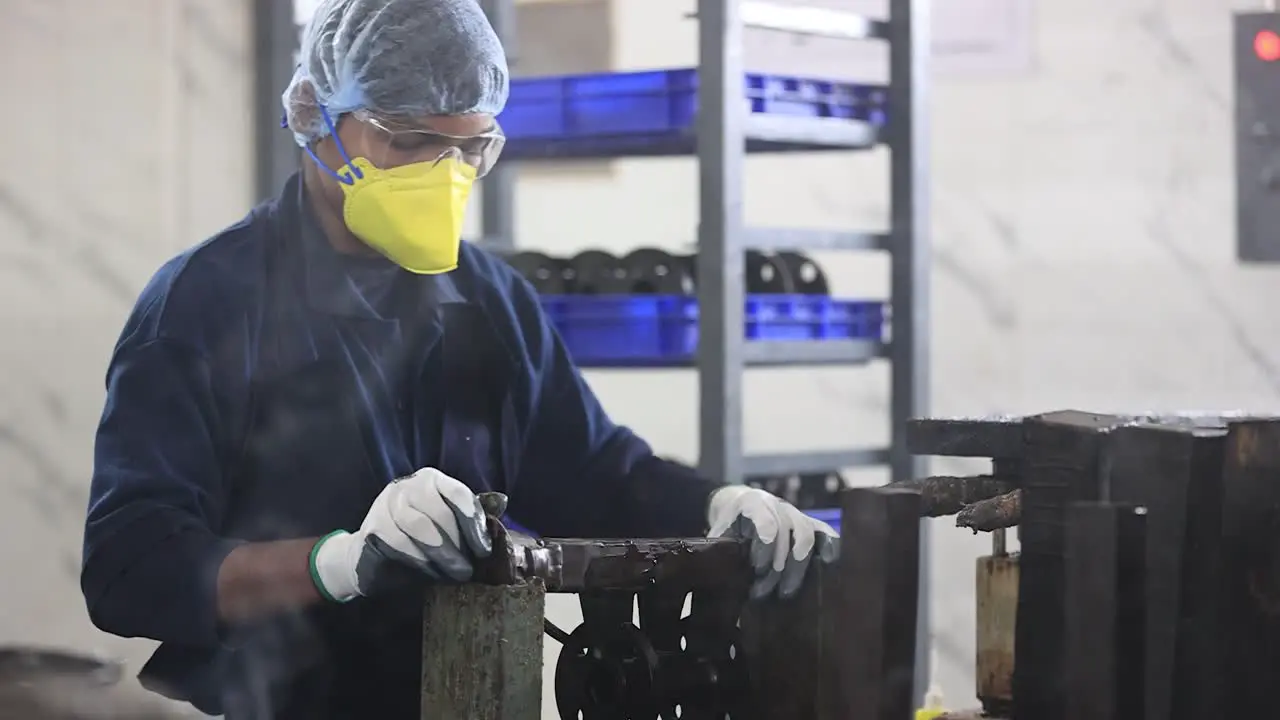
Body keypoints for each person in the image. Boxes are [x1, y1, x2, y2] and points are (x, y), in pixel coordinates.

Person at [79, 0, 838, 718]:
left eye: (469, 146)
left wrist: (717, 507)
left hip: (481, 691)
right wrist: (338, 564)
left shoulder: (491, 300)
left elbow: (599, 475)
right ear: (318, 119)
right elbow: (128, 567)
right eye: (408, 140)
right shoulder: (204, 304)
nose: (441, 170)